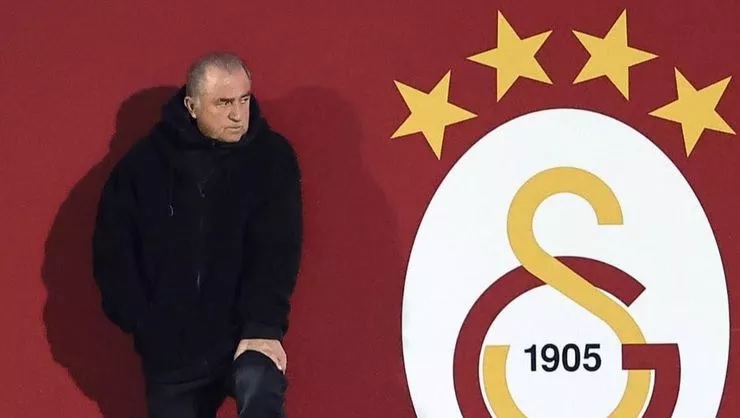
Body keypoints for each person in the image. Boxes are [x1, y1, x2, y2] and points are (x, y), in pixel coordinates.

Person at [91, 52, 302, 418]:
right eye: (223, 103)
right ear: (192, 106)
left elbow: (278, 250)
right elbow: (112, 251)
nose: (237, 114)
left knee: (260, 385)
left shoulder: (272, 157)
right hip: (172, 350)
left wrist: (264, 326)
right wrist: (145, 324)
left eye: (244, 99)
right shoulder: (143, 166)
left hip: (246, 339)